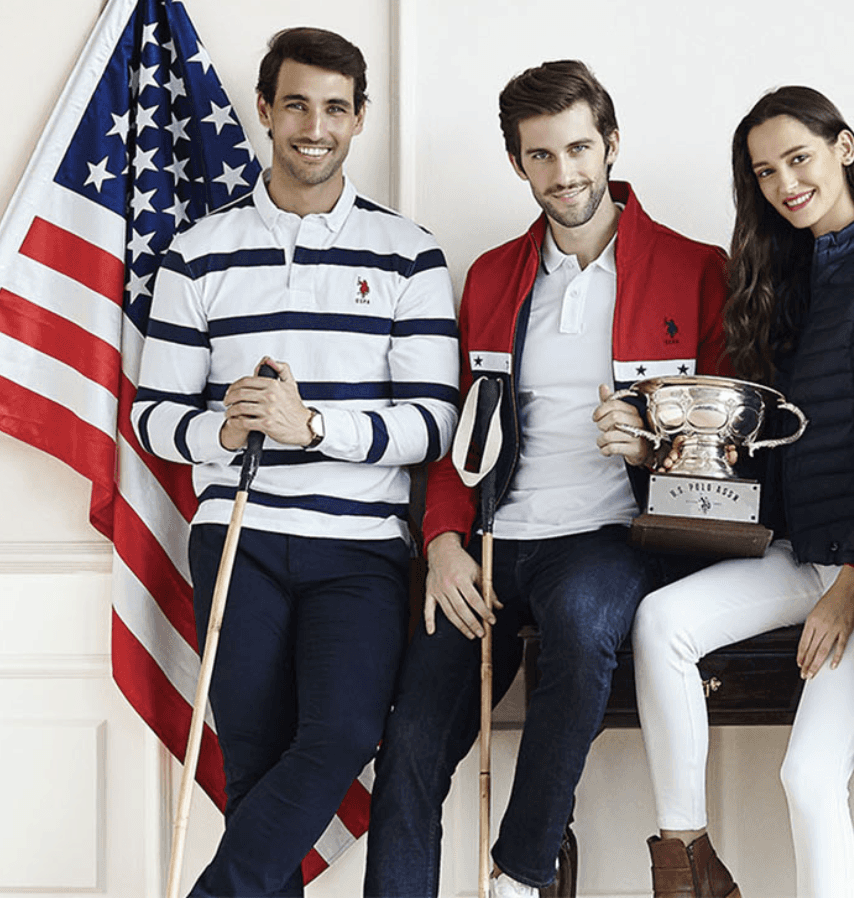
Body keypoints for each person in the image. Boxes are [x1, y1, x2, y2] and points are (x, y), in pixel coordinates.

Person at [364, 60, 730, 898]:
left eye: (577, 148)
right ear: (518, 163)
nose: (564, 174)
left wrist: (652, 445)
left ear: (609, 143)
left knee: (581, 620)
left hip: (608, 540)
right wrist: (446, 544)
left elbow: (728, 449)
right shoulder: (492, 276)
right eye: (541, 156)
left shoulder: (695, 266)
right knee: (413, 742)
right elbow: (461, 433)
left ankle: (517, 877)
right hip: (494, 543)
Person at [130, 27, 459, 897]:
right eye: (298, 105)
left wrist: (313, 427)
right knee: (255, 759)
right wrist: (226, 431)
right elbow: (153, 419)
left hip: (358, 549)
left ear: (360, 119)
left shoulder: (410, 255)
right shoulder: (196, 254)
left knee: (344, 732)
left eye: (336, 108)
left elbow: (433, 422)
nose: (316, 125)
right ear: (267, 111)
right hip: (238, 534)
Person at [631, 85, 854, 898]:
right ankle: (686, 861)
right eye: (765, 172)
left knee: (806, 777)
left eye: (798, 159)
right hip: (800, 554)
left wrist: (852, 588)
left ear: (844, 147)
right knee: (660, 622)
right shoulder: (789, 268)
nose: (784, 184)